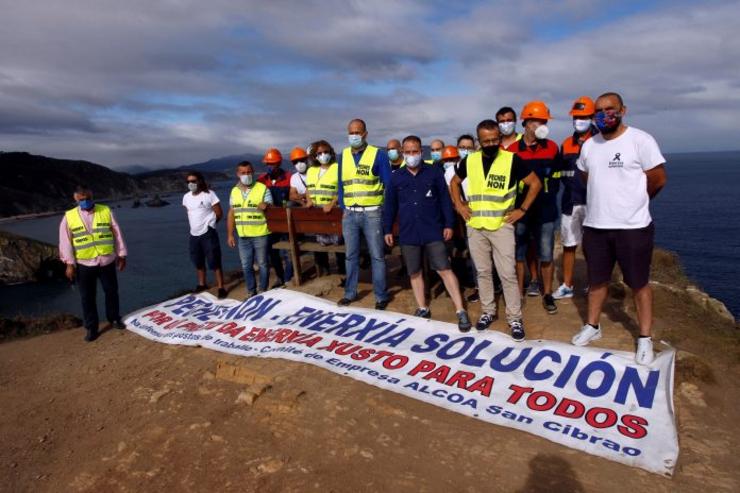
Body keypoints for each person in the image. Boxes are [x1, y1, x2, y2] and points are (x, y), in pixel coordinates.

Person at [571, 92, 667, 366]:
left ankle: (645, 337)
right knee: (597, 280)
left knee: (638, 284)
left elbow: (658, 179)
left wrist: (635, 203)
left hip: (633, 227)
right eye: (598, 111)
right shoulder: (589, 145)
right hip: (596, 226)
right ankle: (592, 325)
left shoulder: (640, 140)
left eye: (609, 109)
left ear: (623, 110)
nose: (604, 115)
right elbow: (588, 176)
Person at [449, 120, 541, 341]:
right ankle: (488, 311)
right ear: (479, 141)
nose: (490, 144)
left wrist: (522, 209)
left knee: (507, 274)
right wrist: (460, 205)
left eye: (494, 140)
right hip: (476, 227)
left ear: (499, 138)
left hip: (501, 226)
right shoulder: (469, 161)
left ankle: (514, 318)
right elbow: (454, 182)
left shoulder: (511, 160)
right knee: (482, 272)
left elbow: (535, 183)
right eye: (486, 140)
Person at [384, 135, 472, 332]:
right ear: (402, 153)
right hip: (408, 232)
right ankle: (422, 307)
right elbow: (389, 205)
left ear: (421, 152)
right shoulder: (396, 177)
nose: (412, 155)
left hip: (433, 229)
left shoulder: (433, 173)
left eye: (415, 151)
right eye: (408, 152)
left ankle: (460, 310)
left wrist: (449, 224)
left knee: (444, 268)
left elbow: (444, 201)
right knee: (414, 271)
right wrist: (387, 228)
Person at [508, 101, 563, 315]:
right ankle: (519, 294)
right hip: (520, 212)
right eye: (537, 121)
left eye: (544, 121)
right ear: (526, 123)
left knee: (546, 254)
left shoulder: (552, 148)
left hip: (546, 212)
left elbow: (556, 177)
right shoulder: (512, 150)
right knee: (519, 254)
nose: (542, 125)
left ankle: (547, 293)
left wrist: (549, 197)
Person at [59, 185, 127, 342]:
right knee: (87, 297)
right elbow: (65, 242)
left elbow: (117, 233)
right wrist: (69, 264)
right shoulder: (68, 217)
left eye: (88, 198)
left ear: (92, 196)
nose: (85, 201)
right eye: (82, 199)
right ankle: (91, 327)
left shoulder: (106, 211)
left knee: (111, 291)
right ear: (76, 199)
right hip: (84, 263)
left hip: (106, 260)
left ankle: (114, 318)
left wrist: (122, 255)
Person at [337, 118, 391, 309]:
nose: (354, 136)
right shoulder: (342, 156)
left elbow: (388, 185)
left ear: (365, 134)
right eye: (351, 132)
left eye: (358, 132)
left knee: (377, 256)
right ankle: (350, 293)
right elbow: (341, 185)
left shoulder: (378, 155)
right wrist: (344, 207)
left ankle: (381, 296)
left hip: (372, 213)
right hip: (350, 215)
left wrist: (383, 209)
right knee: (350, 256)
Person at [553, 96, 597, 299]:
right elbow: (560, 172)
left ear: (592, 117)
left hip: (595, 204)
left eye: (583, 116)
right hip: (570, 202)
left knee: (593, 246)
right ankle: (567, 285)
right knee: (569, 245)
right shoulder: (566, 144)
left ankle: (594, 284)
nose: (578, 120)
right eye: (576, 116)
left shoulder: (601, 141)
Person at [227, 161, 272, 298]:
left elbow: (271, 206)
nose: (247, 175)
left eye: (249, 172)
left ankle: (263, 290)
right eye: (243, 173)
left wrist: (267, 205)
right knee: (246, 265)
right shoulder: (234, 191)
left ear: (253, 172)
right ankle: (251, 291)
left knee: (263, 264)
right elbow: (231, 213)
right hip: (243, 236)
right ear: (238, 174)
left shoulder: (262, 188)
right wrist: (230, 234)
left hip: (260, 233)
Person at [182, 171, 226, 299]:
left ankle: (221, 287)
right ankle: (202, 284)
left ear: (200, 181)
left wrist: (210, 226)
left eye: (193, 181)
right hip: (193, 234)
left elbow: (219, 213)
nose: (191, 184)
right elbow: (189, 213)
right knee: (198, 260)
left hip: (208, 233)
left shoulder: (209, 194)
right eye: (188, 181)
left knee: (214, 260)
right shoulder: (186, 197)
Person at [306, 140, 345, 275]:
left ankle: (343, 271)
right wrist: (309, 199)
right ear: (315, 156)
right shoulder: (311, 171)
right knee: (320, 242)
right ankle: (324, 270)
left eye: (326, 152)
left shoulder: (337, 168)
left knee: (338, 244)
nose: (323, 155)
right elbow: (308, 188)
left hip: (333, 212)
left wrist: (332, 203)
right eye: (320, 153)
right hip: (317, 213)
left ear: (331, 153)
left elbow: (343, 189)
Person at [259, 147, 293, 287]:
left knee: (288, 252)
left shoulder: (289, 177)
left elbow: (294, 195)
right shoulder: (261, 180)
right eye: (268, 164)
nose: (270, 167)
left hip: (286, 222)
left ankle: (288, 277)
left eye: (272, 164)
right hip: (271, 223)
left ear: (279, 163)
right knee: (272, 252)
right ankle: (280, 277)